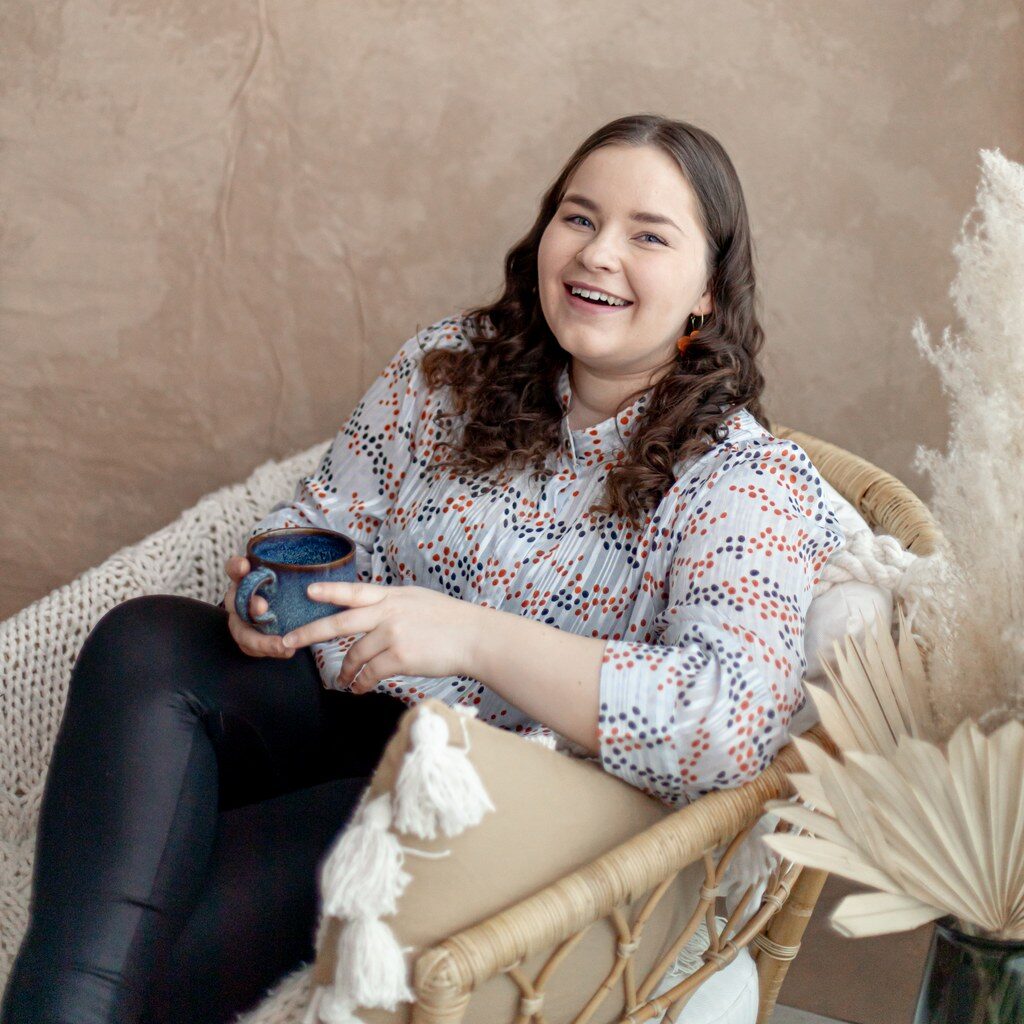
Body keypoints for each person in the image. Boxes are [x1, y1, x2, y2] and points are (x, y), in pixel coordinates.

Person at [0, 113, 845, 1024]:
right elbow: (325, 516)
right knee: (148, 640)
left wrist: (472, 637)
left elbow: (725, 722)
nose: (599, 254)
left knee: (143, 951)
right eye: (579, 217)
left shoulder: (742, 479)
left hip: (473, 800)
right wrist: (265, 593)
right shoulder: (451, 369)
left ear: (709, 288)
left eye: (649, 235)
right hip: (341, 705)